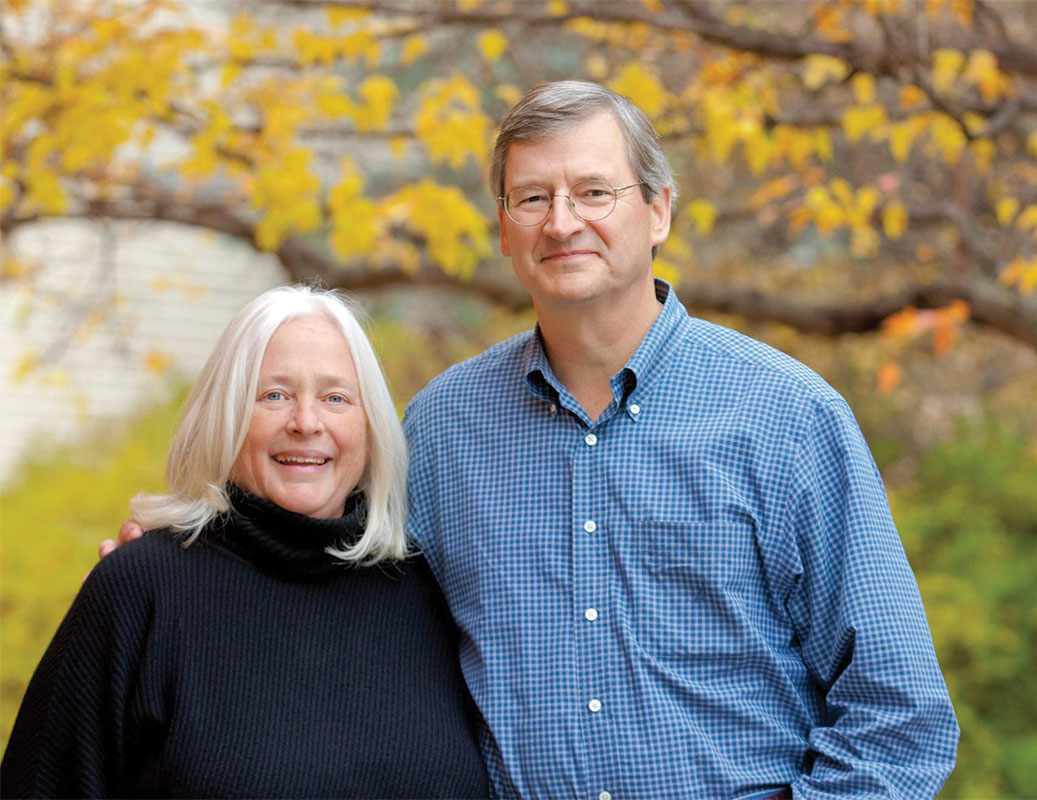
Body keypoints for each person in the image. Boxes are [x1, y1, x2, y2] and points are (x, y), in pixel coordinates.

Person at [100, 81, 959, 798]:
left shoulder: (784, 418)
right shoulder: (441, 432)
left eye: (594, 192)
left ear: (657, 211)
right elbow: (320, 567)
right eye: (533, 198)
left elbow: (901, 717)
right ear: (505, 227)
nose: (562, 222)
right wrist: (175, 575)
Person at [1, 286, 488, 798]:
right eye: (273, 395)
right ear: (226, 415)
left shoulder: (424, 585)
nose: (305, 422)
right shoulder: (142, 589)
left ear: (370, 427)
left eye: (335, 397)